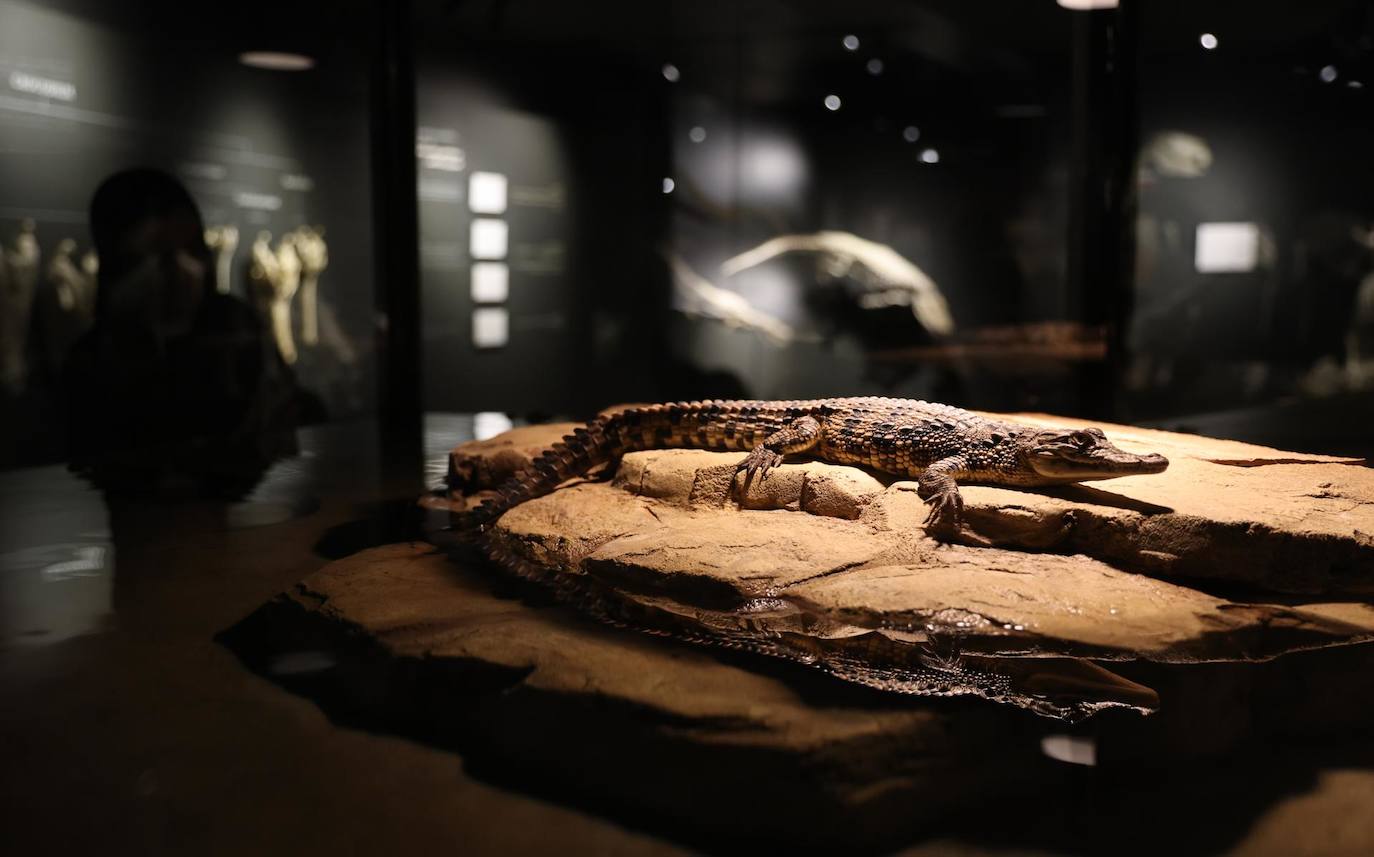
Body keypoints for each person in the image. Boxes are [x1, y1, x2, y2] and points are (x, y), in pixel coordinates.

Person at [65, 169, 299, 498]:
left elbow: (276, 436)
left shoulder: (236, 328)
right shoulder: (95, 359)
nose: (183, 271)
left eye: (193, 250)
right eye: (156, 256)